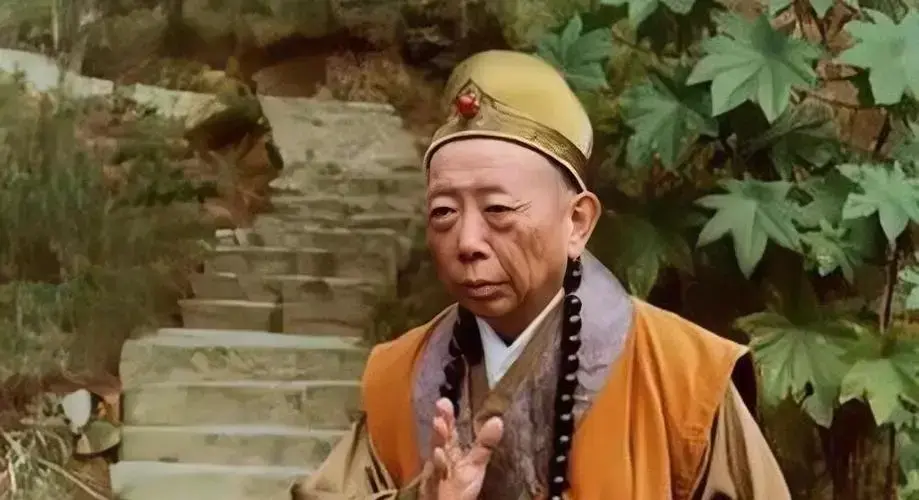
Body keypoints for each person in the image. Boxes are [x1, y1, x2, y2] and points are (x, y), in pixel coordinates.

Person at [290, 50, 790, 500]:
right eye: (443, 211)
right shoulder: (401, 376)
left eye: (498, 209)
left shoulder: (683, 377)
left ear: (577, 223)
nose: (466, 242)